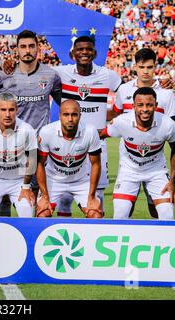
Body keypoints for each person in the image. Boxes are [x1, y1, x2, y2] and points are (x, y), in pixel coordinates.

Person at [0, 29, 62, 215]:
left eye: (31, 46)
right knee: (3, 205)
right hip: (8, 149)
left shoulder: (50, 75)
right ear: (17, 49)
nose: (27, 50)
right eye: (23, 47)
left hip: (37, 151)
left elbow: (65, 106)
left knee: (32, 205)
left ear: (38, 48)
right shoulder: (5, 75)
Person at [53, 36, 123, 216]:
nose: (84, 52)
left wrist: (113, 117)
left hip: (97, 144)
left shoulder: (108, 75)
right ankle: (64, 233)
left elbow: (129, 94)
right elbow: (36, 73)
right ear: (72, 53)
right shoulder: (62, 73)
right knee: (65, 196)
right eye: (80, 49)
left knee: (97, 195)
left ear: (95, 53)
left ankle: (96, 230)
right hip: (68, 142)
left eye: (88, 49)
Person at [113, 48, 175, 218]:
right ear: (135, 66)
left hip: (155, 162)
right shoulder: (123, 90)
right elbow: (117, 118)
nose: (145, 71)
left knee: (156, 210)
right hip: (128, 161)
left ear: (155, 66)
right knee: (127, 207)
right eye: (142, 67)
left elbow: (171, 129)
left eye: (149, 67)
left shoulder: (166, 93)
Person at [100, 87, 175, 220]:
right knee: (120, 215)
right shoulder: (121, 122)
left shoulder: (168, 125)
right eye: (140, 105)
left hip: (157, 172)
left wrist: (172, 181)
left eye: (149, 105)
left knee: (167, 215)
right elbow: (100, 135)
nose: (145, 109)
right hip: (129, 171)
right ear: (133, 106)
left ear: (155, 105)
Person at [36, 100, 103, 218]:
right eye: (66, 115)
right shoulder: (47, 132)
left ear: (80, 115)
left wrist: (91, 196)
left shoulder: (90, 131)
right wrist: (45, 197)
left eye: (74, 114)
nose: (70, 119)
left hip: (81, 180)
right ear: (59, 116)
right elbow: (39, 164)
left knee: (95, 214)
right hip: (53, 180)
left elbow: (96, 164)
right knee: (43, 213)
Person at [0, 92, 37, 218]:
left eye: (11, 110)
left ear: (17, 110)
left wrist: (26, 186)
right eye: (3, 110)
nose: (8, 114)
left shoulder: (27, 129)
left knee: (27, 215)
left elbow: (32, 159)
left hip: (18, 181)